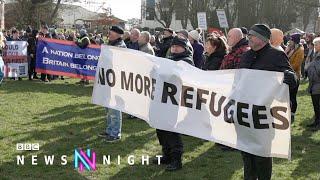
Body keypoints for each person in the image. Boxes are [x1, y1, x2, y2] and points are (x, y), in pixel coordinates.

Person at [240, 24, 297, 180]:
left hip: (264, 113)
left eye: (252, 35)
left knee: (262, 155)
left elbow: (291, 80)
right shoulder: (245, 56)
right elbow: (237, 83)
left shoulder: (276, 55)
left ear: (262, 38)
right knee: (246, 153)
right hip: (245, 112)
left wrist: (291, 77)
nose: (248, 38)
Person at [153, 36, 194, 171]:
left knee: (171, 130)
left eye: (178, 46)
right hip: (163, 99)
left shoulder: (186, 61)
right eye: (173, 46)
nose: (174, 48)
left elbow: (176, 75)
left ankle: (176, 159)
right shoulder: (169, 60)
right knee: (160, 128)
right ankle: (166, 154)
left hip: (175, 102)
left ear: (184, 48)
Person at [98, 26, 126, 142]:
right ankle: (109, 130)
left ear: (119, 34)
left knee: (114, 108)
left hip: (116, 81)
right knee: (108, 107)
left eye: (112, 32)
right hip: (107, 79)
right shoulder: (111, 43)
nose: (109, 33)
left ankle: (115, 133)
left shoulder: (120, 46)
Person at [285, 33, 304, 122]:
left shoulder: (300, 50)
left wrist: (285, 67)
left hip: (294, 76)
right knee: (287, 96)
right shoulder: (290, 48)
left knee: (292, 96)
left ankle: (292, 114)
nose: (289, 41)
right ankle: (286, 112)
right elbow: (283, 57)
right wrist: (286, 50)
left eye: (291, 40)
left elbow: (296, 65)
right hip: (287, 75)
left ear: (295, 41)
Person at [306, 37, 320, 130]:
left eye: (316, 44)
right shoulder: (315, 54)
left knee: (318, 105)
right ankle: (316, 121)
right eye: (314, 44)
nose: (314, 46)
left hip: (318, 83)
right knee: (315, 105)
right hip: (313, 83)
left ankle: (318, 124)